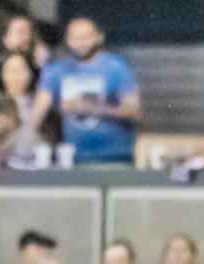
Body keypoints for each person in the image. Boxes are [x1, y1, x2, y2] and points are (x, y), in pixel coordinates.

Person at [31, 18, 139, 165]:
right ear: (67, 40)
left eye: (86, 37)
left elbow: (133, 110)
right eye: (75, 37)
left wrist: (91, 108)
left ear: (98, 37)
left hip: (115, 157)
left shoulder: (116, 67)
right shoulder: (55, 71)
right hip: (72, 158)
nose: (80, 42)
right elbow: (36, 114)